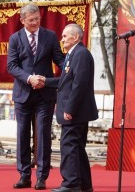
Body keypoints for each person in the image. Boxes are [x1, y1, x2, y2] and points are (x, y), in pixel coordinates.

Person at [7, 3, 64, 190]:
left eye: (37, 19)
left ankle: (42, 177)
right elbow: (12, 66)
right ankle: (24, 175)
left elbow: (60, 60)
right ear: (22, 20)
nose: (35, 23)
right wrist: (29, 78)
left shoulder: (50, 36)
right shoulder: (15, 38)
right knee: (22, 135)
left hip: (45, 95)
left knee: (42, 135)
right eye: (31, 20)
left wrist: (74, 63)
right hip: (23, 95)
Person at [44, 24, 98, 192]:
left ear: (75, 37)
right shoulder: (72, 54)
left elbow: (79, 84)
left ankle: (71, 183)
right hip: (76, 111)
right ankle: (84, 184)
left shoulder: (81, 54)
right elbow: (65, 81)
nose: (62, 39)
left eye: (65, 36)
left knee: (68, 146)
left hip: (76, 112)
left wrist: (70, 108)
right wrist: (45, 81)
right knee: (77, 147)